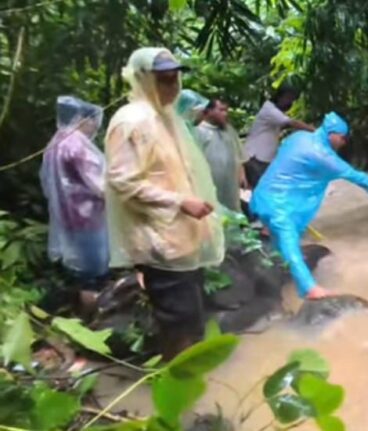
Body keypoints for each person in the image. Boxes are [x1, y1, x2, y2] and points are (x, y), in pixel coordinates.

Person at [104, 47, 224, 359]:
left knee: (191, 316)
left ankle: (190, 381)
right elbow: (123, 181)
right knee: (178, 322)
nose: (171, 88)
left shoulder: (165, 117)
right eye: (164, 81)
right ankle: (177, 388)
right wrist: (180, 201)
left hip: (183, 236)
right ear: (143, 80)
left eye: (174, 80)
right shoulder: (132, 121)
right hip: (159, 241)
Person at [250, 112, 368, 300]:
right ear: (332, 133)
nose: (344, 142)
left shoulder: (299, 137)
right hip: (279, 205)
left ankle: (278, 269)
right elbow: (353, 175)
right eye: (342, 138)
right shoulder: (323, 155)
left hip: (263, 195)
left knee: (277, 238)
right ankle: (309, 289)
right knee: (290, 242)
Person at [40, 96, 109, 286]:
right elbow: (100, 186)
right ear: (81, 119)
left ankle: (75, 311)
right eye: (94, 120)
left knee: (77, 270)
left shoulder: (57, 140)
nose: (96, 126)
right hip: (87, 217)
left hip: (66, 215)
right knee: (91, 274)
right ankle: (90, 313)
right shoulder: (77, 145)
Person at [243, 85, 315, 188]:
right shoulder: (269, 109)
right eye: (288, 98)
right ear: (279, 97)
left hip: (263, 158)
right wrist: (314, 131)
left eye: (292, 100)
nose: (289, 102)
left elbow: (284, 126)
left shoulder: (274, 112)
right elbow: (291, 123)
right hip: (256, 157)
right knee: (263, 190)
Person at [196, 99, 244, 212]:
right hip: (209, 181)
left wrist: (242, 173)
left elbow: (238, 153)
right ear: (209, 111)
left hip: (230, 182)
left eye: (226, 110)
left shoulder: (229, 130)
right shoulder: (199, 131)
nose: (225, 114)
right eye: (221, 110)